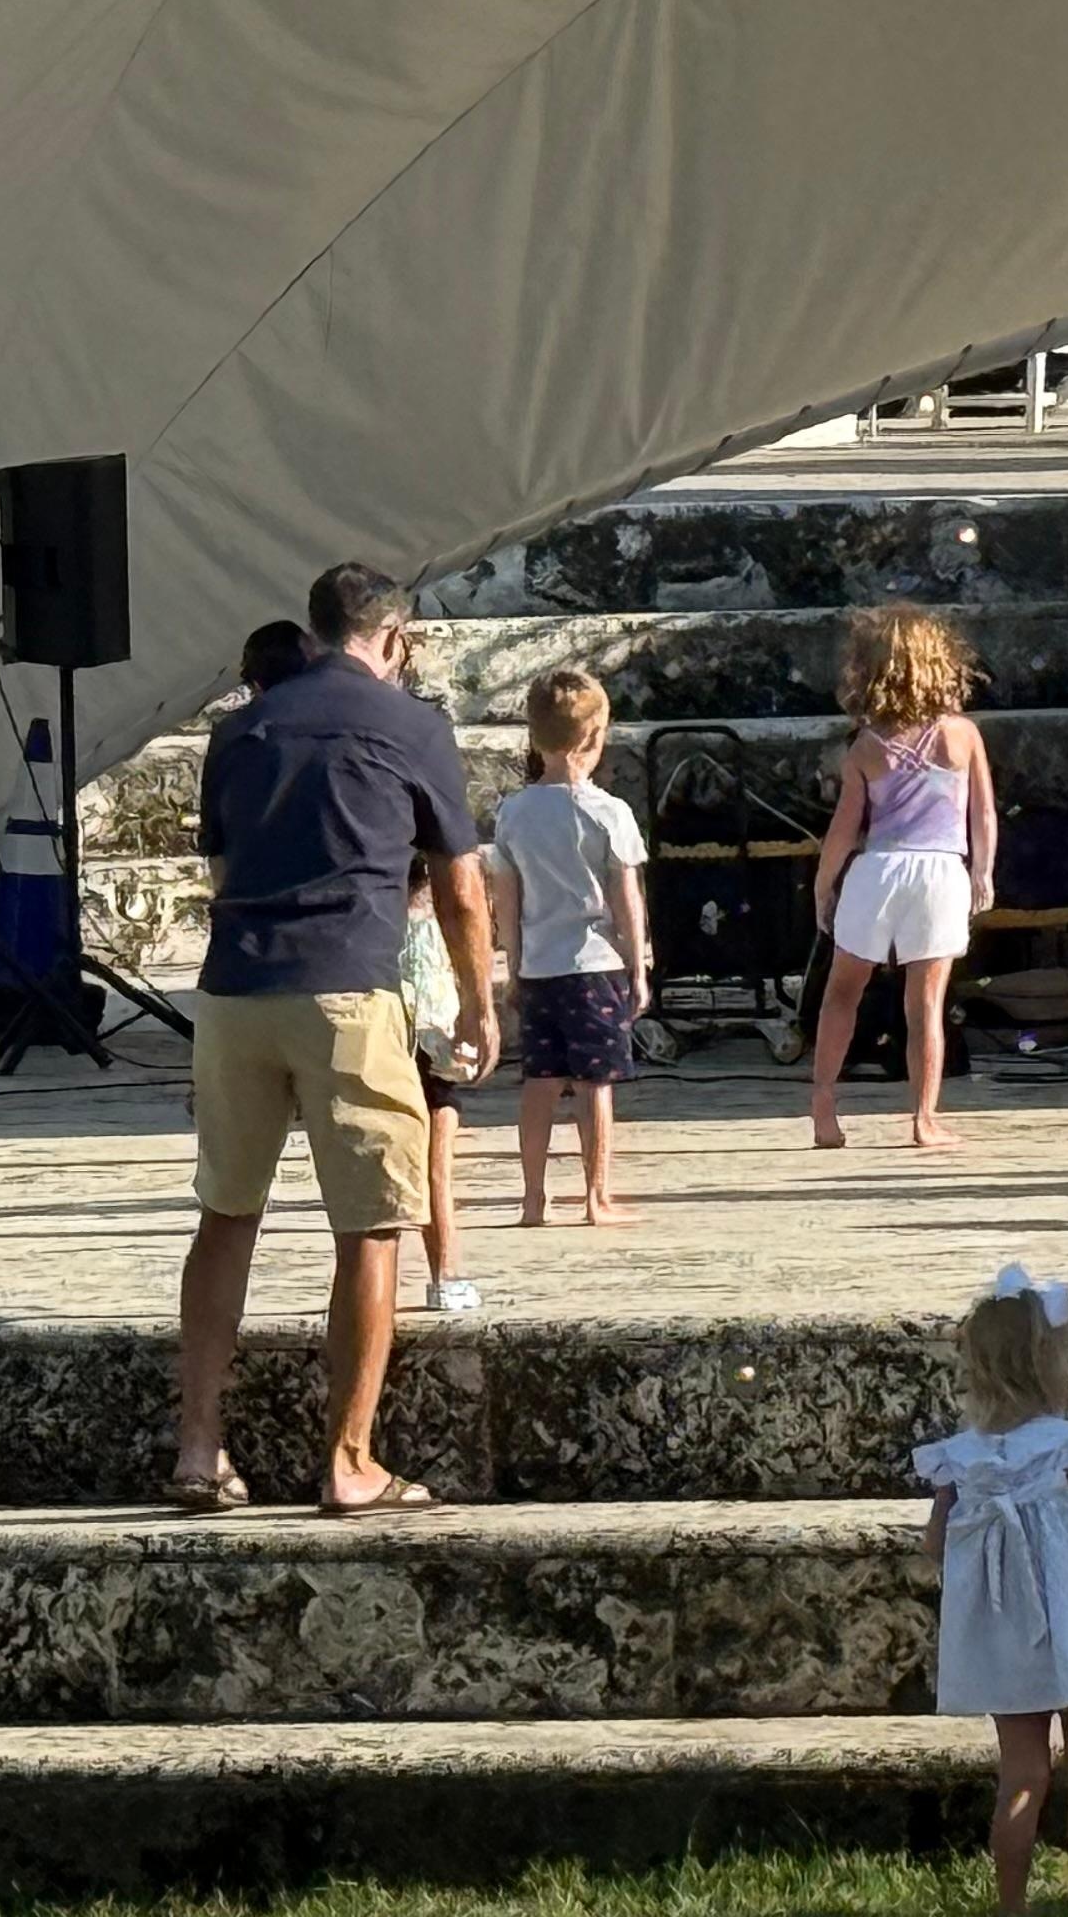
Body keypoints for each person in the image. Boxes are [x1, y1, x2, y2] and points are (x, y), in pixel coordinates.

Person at [176, 563, 497, 1516]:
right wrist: (480, 1006)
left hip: (234, 992)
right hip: (349, 990)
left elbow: (225, 866)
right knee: (370, 1227)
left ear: (314, 634)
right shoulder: (412, 726)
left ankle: (200, 1448)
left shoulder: (241, 727)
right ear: (393, 640)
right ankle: (350, 1461)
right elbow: (462, 888)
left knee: (225, 1215)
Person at [917, 1267, 1068, 1917]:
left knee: (1021, 1771)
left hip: (1002, 1626)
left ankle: (1011, 1903)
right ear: (1050, 1365)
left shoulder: (957, 1458)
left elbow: (936, 1545)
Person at [810, 605, 996, 1155]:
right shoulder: (962, 735)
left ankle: (823, 1106)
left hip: (879, 870)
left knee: (842, 991)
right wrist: (982, 872)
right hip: (940, 871)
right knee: (926, 1004)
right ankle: (923, 1118)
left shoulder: (866, 747)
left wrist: (826, 885)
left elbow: (843, 832)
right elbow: (982, 814)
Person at [489, 668, 651, 1228]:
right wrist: (639, 962)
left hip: (539, 965)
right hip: (594, 963)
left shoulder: (513, 814)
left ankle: (533, 1197)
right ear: (595, 736)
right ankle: (594, 1196)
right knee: (593, 1085)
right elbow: (625, 896)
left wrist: (512, 965)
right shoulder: (609, 813)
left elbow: (505, 902)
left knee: (539, 1082)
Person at [393, 854, 479, 1315]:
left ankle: (371, 1285)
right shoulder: (443, 921)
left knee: (373, 1172)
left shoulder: (369, 920)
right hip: (431, 1048)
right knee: (436, 1171)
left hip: (385, 1042)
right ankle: (444, 1274)